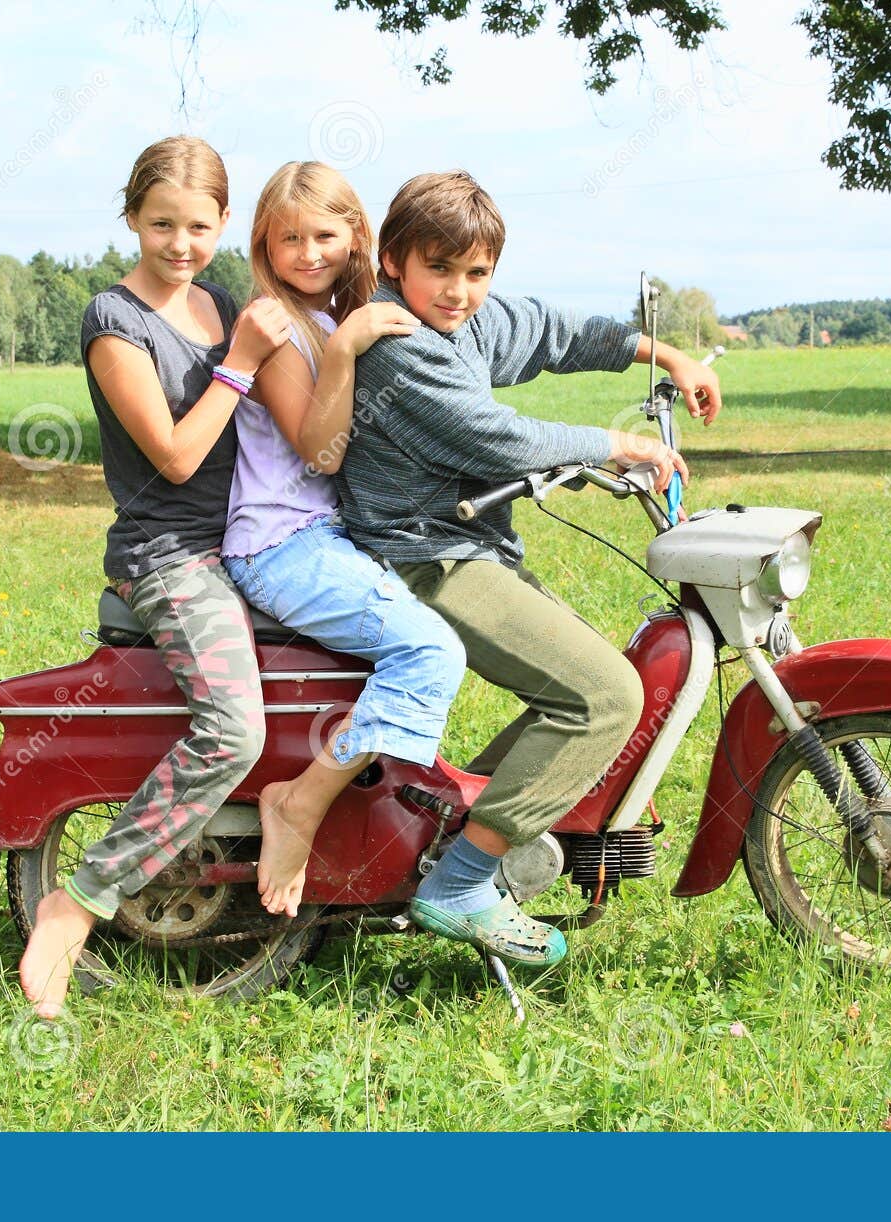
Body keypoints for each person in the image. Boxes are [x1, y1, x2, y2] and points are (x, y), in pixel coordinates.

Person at [336, 170, 722, 968]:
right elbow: (495, 436)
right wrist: (618, 445)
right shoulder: (398, 345)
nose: (460, 290)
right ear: (393, 259)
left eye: (477, 273)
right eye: (440, 268)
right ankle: (461, 881)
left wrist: (664, 352)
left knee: (582, 689)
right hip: (422, 557)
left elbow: (550, 330)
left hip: (467, 544)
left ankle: (441, 833)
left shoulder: (465, 321)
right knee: (606, 695)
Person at [18, 136, 291, 1019]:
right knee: (233, 728)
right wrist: (240, 361)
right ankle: (80, 903)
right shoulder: (115, 321)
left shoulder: (219, 303)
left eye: (200, 226)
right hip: (170, 557)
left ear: (223, 226)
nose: (181, 243)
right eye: (162, 223)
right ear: (131, 216)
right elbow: (174, 458)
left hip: (253, 541)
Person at [222, 161, 466, 919]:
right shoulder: (276, 327)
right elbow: (320, 451)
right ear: (265, 242)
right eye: (288, 237)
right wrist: (341, 351)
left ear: (356, 236)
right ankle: (299, 804)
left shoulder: (345, 315)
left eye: (324, 234)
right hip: (280, 544)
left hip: (330, 537)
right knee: (432, 651)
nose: (307, 252)